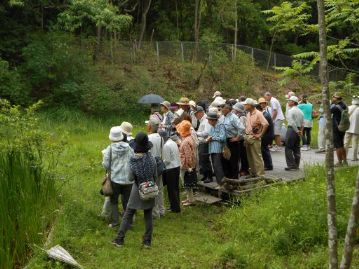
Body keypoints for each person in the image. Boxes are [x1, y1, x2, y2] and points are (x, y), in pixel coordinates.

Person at [112, 133, 156, 248]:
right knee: (148, 215)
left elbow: (130, 178)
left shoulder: (133, 161)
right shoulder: (151, 158)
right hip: (150, 188)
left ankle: (119, 239)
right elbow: (155, 174)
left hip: (137, 189)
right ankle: (147, 242)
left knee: (128, 213)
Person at [101, 127, 134, 227]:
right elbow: (133, 160)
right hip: (128, 179)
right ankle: (128, 223)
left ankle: (115, 222)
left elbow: (106, 165)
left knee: (114, 201)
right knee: (127, 202)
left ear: (111, 137)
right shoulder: (129, 148)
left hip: (115, 179)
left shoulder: (109, 149)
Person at [243, 98, 268, 178]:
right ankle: (253, 173)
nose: (244, 106)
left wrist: (260, 135)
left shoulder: (258, 113)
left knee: (257, 157)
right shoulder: (248, 113)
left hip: (255, 138)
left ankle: (260, 175)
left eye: (246, 104)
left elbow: (266, 124)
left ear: (250, 105)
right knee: (250, 157)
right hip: (248, 136)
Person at [220, 103, 245, 179]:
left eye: (223, 108)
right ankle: (227, 178)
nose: (221, 109)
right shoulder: (222, 117)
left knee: (233, 160)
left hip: (232, 141)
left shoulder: (233, 117)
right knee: (224, 160)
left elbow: (241, 128)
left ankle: (234, 179)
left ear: (228, 109)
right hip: (224, 141)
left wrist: (237, 138)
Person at [147, 119, 165, 218]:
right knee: (160, 188)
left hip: (151, 164)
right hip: (159, 164)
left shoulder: (148, 138)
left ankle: (155, 212)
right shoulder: (161, 137)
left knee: (152, 189)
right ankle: (162, 210)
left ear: (150, 127)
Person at [159, 130, 181, 213]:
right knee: (175, 188)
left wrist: (161, 163)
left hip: (170, 168)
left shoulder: (166, 146)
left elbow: (167, 160)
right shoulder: (173, 142)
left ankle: (174, 208)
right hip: (177, 166)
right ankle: (176, 206)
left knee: (171, 189)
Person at [177, 120, 197, 206]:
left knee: (186, 182)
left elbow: (188, 155)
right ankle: (189, 199)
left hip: (185, 165)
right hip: (188, 164)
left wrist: (189, 166)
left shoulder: (185, 141)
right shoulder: (189, 138)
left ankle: (191, 200)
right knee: (187, 183)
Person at [284, 96, 304, 171]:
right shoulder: (301, 112)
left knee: (288, 147)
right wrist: (300, 131)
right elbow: (303, 123)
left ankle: (291, 165)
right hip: (298, 130)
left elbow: (292, 122)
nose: (288, 102)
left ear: (293, 102)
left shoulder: (290, 111)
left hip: (292, 129)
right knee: (297, 147)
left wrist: (296, 130)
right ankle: (296, 164)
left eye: (289, 101)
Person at [207, 111, 226, 185]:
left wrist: (212, 138)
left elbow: (223, 138)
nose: (208, 121)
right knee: (215, 166)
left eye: (209, 120)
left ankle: (222, 183)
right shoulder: (212, 127)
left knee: (218, 167)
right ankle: (220, 183)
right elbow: (210, 135)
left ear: (213, 120)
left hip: (218, 149)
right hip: (212, 149)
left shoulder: (221, 125)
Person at [195, 106, 213, 183]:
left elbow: (207, 132)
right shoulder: (202, 120)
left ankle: (209, 176)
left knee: (205, 159)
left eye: (196, 113)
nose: (195, 115)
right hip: (202, 141)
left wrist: (196, 133)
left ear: (201, 112)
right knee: (202, 159)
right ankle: (205, 175)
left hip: (205, 141)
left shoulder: (206, 120)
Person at [331, 92, 348, 166]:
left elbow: (327, 111)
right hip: (343, 127)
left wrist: (331, 103)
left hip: (337, 127)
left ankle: (339, 162)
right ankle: (345, 161)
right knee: (341, 144)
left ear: (336, 98)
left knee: (338, 146)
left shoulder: (335, 107)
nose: (332, 98)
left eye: (333, 97)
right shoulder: (344, 105)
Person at [232, 102, 249, 176]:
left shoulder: (242, 117)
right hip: (239, 138)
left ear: (237, 110)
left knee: (243, 155)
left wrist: (237, 137)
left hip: (241, 139)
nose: (233, 110)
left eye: (234, 109)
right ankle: (241, 169)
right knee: (240, 155)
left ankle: (244, 170)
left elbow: (241, 129)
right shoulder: (237, 116)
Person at [257, 98, 274, 171]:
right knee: (264, 149)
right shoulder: (265, 113)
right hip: (267, 134)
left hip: (267, 135)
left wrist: (260, 134)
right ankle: (268, 165)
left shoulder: (265, 115)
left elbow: (265, 126)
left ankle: (269, 165)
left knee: (264, 150)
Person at [344, 95, 359, 161]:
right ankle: (354, 157)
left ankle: (344, 157)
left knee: (346, 143)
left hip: (348, 128)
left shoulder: (348, 107)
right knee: (355, 143)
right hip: (356, 129)